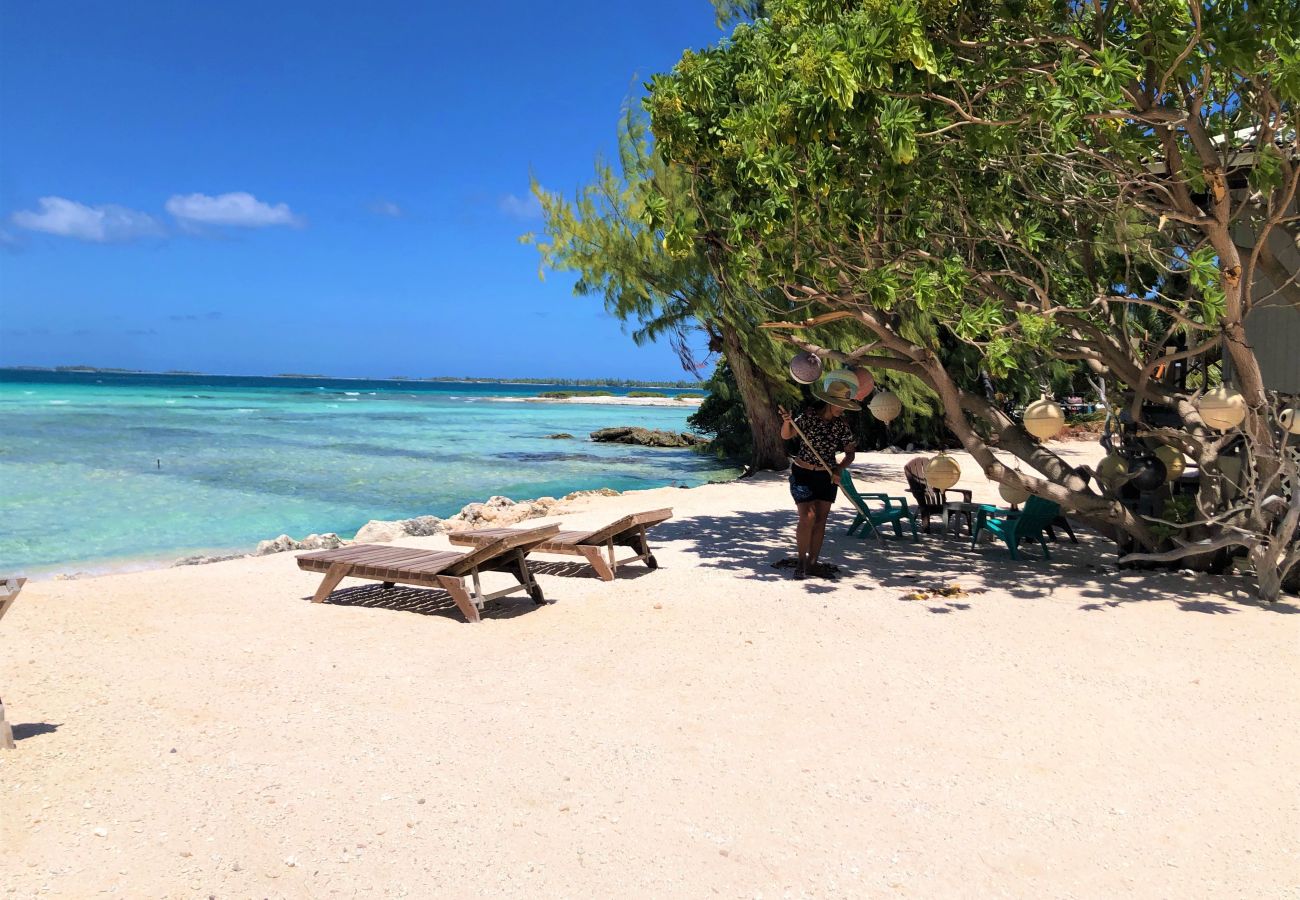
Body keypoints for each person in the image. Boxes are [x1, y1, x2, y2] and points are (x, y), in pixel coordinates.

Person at [779, 378, 859, 580]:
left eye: (845, 406)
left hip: (827, 475)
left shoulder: (841, 426)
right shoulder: (808, 417)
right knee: (807, 517)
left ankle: (813, 563)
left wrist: (839, 469)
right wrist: (787, 422)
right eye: (840, 405)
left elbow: (850, 453)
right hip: (803, 473)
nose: (842, 409)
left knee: (821, 520)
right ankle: (801, 562)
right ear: (829, 402)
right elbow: (786, 436)